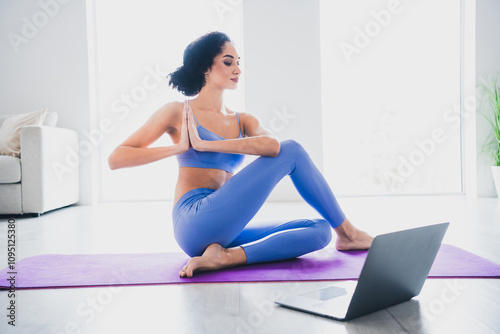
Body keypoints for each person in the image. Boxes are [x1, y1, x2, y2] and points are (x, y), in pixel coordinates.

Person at [108, 31, 373, 278]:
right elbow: (116, 158)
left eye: (238, 61)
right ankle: (349, 233)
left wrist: (207, 145)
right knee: (293, 149)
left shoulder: (243, 120)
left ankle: (227, 257)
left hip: (224, 229)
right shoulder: (178, 112)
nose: (237, 69)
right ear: (205, 68)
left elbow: (272, 146)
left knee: (319, 230)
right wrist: (178, 148)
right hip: (192, 220)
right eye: (228, 62)